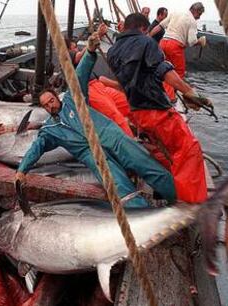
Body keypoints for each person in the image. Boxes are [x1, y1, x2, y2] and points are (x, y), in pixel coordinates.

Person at [15, 26, 176, 208]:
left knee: (144, 163)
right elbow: (36, 149)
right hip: (91, 155)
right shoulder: (50, 130)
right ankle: (145, 215)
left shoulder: (72, 99)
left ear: (56, 97)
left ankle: (177, 197)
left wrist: (90, 51)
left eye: (51, 100)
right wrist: (22, 170)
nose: (50, 105)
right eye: (45, 105)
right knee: (118, 186)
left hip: (110, 135)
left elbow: (80, 74)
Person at [107, 13, 212, 204]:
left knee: (162, 153)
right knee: (188, 150)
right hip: (156, 111)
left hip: (138, 114)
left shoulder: (112, 52)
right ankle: (193, 207)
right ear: (142, 28)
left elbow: (128, 81)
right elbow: (163, 70)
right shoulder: (146, 43)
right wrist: (190, 92)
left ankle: (166, 191)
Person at [150, 2, 207, 101]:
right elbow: (192, 41)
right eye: (199, 14)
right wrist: (200, 41)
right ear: (196, 11)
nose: (199, 18)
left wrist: (148, 36)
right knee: (178, 73)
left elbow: (160, 26)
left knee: (163, 69)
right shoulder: (192, 21)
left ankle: (158, 92)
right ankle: (170, 98)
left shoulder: (175, 13)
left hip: (163, 43)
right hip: (175, 47)